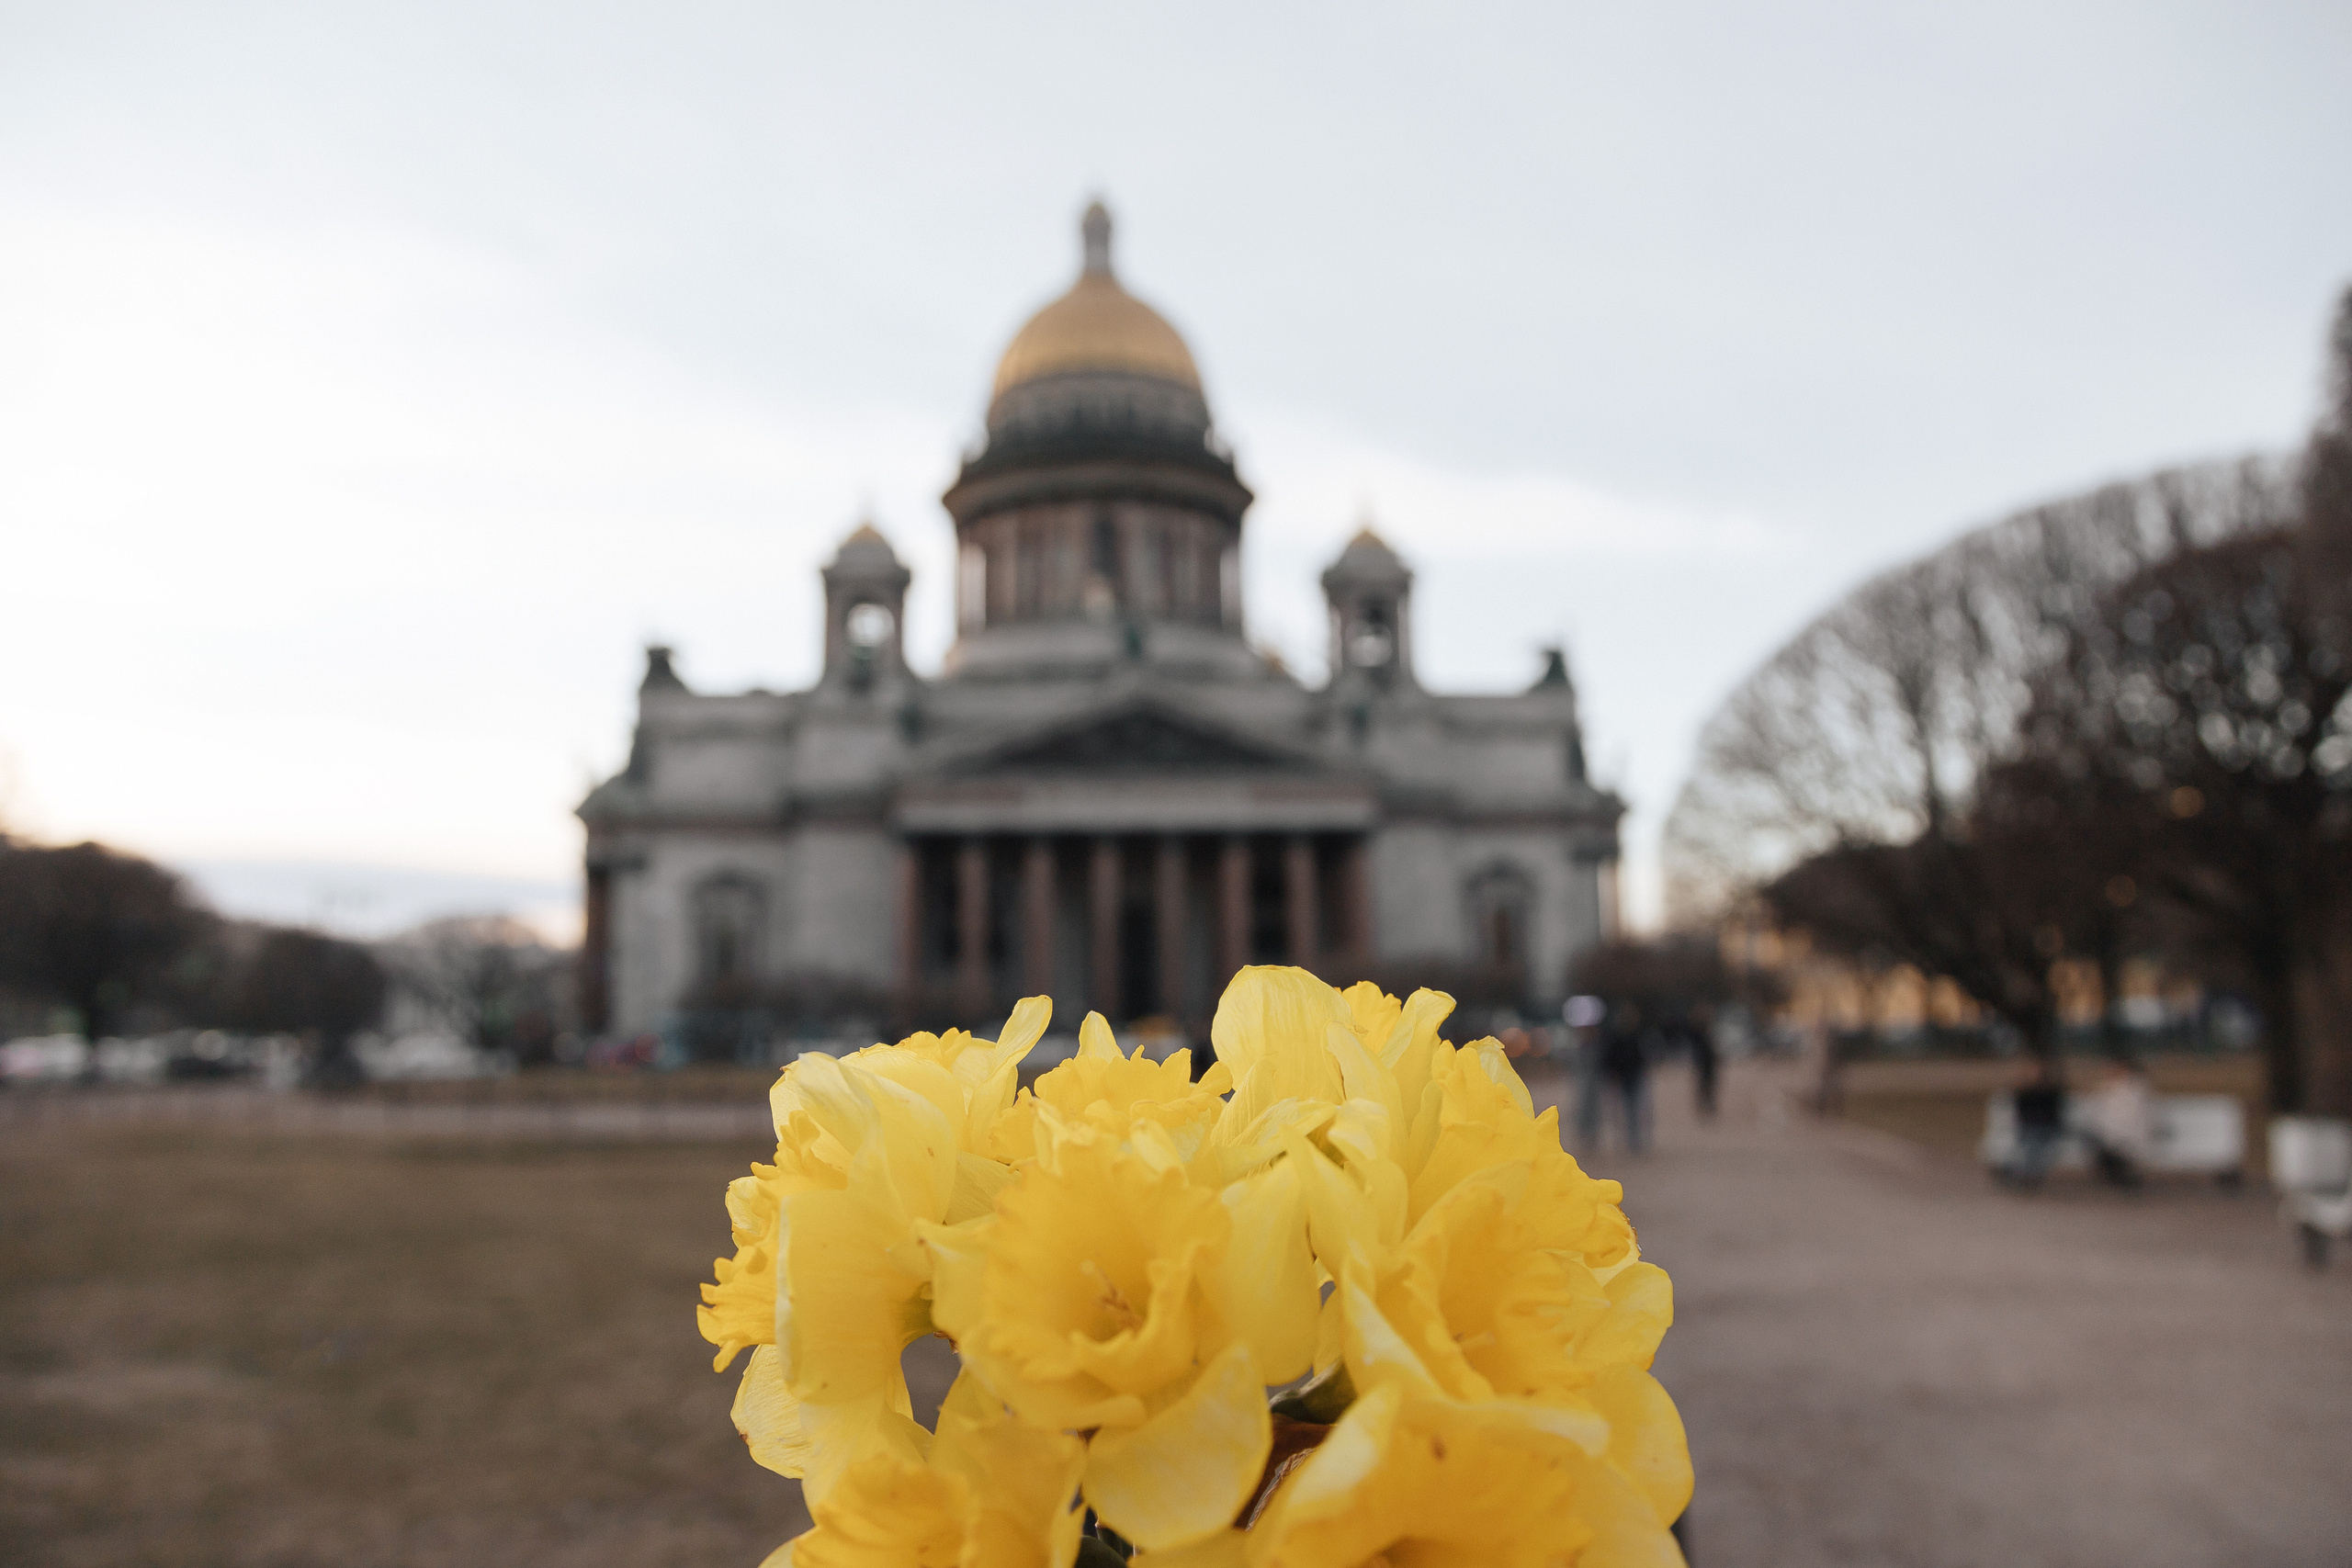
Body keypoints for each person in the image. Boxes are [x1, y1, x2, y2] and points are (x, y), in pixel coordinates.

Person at [2080, 1058, 2155, 1188]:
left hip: (2123, 1137)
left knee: (2114, 1152)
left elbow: (2135, 1118)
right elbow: (2093, 1112)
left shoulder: (2134, 1091)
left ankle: (2122, 1174)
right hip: (2110, 1136)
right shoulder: (2108, 1089)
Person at [2003, 1058, 2067, 1189]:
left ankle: (2025, 1174)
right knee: (2029, 1145)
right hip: (2029, 1124)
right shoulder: (2025, 1091)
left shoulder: (2050, 1091)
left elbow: (2054, 1112)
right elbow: (2020, 1111)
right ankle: (2027, 1174)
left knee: (2033, 1145)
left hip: (2045, 1125)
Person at [1599, 1001, 1652, 1156]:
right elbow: (1609, 1058)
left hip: (1633, 1077)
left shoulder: (1636, 1036)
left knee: (1634, 1110)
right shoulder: (1618, 1037)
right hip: (1622, 1078)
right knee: (1623, 1111)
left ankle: (1633, 1139)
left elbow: (1641, 1058)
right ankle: (1628, 1138)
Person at [1687, 1004, 1721, 1122]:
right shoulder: (1697, 1031)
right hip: (1701, 1062)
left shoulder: (1711, 1030)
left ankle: (1709, 1107)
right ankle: (1702, 1108)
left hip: (1709, 1063)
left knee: (1710, 1086)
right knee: (1702, 1086)